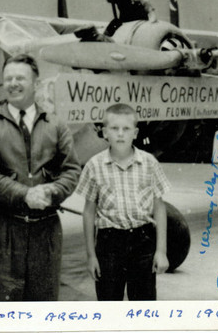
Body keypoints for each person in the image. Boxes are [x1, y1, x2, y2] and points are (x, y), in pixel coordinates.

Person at [0, 54, 81, 301]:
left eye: (20, 78)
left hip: (46, 229)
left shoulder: (56, 124)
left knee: (42, 309)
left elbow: (72, 170)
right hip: (3, 229)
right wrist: (25, 194)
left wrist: (51, 191)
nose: (13, 83)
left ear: (36, 84)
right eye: (8, 78)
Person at [76, 103, 170, 301]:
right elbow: (89, 212)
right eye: (114, 128)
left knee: (143, 308)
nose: (120, 134)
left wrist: (161, 251)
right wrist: (91, 256)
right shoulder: (94, 166)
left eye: (126, 129)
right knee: (109, 306)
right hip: (109, 245)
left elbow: (159, 208)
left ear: (135, 133)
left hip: (143, 241)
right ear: (104, 133)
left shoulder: (149, 163)